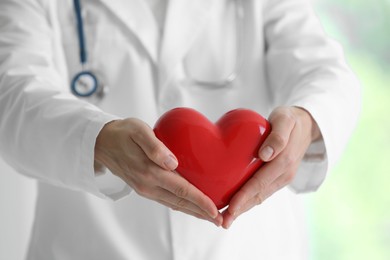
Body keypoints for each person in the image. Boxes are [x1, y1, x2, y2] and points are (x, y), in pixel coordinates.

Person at [0, 0, 360, 259]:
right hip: (91, 247)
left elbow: (325, 72)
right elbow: (10, 94)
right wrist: (97, 139)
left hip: (248, 248)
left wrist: (306, 119)